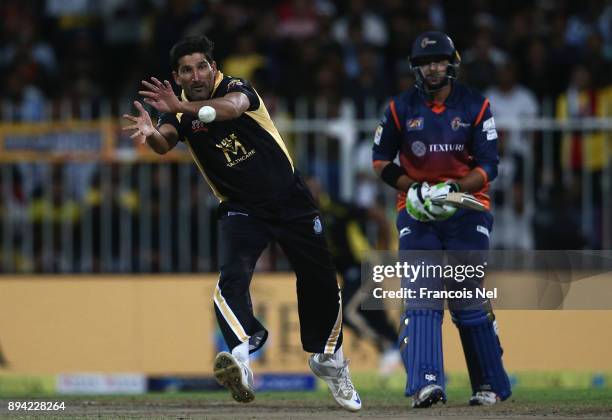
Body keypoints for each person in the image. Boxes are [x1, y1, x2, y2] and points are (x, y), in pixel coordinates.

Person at [122, 35, 361, 412]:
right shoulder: (177, 114)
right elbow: (165, 142)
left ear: (214, 68)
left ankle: (328, 361)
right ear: (177, 75)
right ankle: (242, 359)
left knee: (320, 279)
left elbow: (231, 109)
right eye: (187, 70)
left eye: (202, 66)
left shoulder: (236, 86)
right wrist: (152, 134)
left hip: (291, 199)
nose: (196, 74)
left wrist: (183, 106)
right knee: (232, 277)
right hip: (242, 208)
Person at [371, 31, 511, 408]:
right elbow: (381, 161)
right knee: (422, 295)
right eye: (425, 63)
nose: (433, 68)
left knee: (465, 296)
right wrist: (414, 190)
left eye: (439, 61)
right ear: (415, 68)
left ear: (453, 63)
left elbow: (489, 165)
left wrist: (452, 190)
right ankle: (426, 384)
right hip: (416, 212)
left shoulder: (476, 106)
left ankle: (489, 385)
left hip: (468, 209)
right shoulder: (400, 108)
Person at [305, 177, 400, 376]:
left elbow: (378, 215)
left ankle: (387, 348)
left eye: (312, 189)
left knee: (347, 312)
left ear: (319, 190)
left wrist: (384, 249)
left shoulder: (338, 208)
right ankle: (409, 359)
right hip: (348, 273)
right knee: (376, 316)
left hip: (363, 266)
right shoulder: (307, 215)